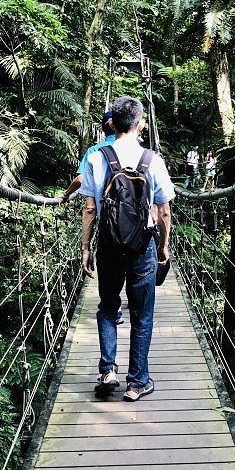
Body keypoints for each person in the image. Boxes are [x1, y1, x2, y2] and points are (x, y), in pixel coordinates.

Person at [80, 96, 174, 401]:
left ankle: (108, 370)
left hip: (107, 244)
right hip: (142, 245)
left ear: (111, 124)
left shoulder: (96, 157)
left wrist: (85, 248)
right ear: (141, 125)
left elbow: (90, 209)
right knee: (141, 315)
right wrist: (164, 246)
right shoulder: (152, 160)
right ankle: (136, 383)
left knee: (108, 308)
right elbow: (163, 211)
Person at [62, 110, 116, 200]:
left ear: (102, 130)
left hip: (104, 205)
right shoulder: (133, 148)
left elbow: (80, 179)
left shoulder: (94, 150)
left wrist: (66, 194)